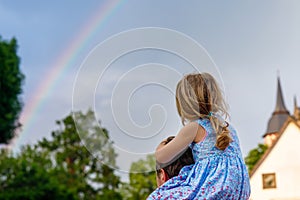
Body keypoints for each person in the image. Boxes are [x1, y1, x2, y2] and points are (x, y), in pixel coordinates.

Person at [148, 73, 250, 199]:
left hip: (215, 188)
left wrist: (161, 145)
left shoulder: (194, 128)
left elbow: (162, 157)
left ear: (184, 104)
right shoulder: (229, 128)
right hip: (240, 189)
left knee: (160, 196)